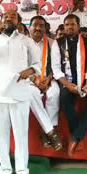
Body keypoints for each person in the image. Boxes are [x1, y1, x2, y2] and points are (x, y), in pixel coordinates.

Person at [0, 9, 41, 174]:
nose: (9, 18)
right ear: (1, 20)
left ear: (18, 22)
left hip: (20, 93)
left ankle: (21, 169)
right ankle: (4, 168)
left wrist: (30, 70)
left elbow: (38, 62)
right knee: (2, 136)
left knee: (20, 136)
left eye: (13, 16)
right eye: (6, 16)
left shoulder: (26, 40)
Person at [51, 14, 87, 158]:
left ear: (78, 26)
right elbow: (55, 68)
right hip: (67, 81)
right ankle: (78, 136)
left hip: (85, 81)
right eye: (67, 25)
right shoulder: (58, 43)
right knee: (65, 99)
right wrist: (67, 84)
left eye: (73, 24)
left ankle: (75, 137)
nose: (70, 27)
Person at [28, 15, 62, 150]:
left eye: (41, 26)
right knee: (31, 94)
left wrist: (47, 80)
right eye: (35, 25)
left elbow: (56, 65)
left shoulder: (52, 43)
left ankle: (46, 132)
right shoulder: (23, 43)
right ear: (29, 27)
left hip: (48, 78)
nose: (38, 28)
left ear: (45, 28)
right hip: (30, 80)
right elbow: (21, 66)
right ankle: (51, 133)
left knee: (55, 92)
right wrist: (34, 80)